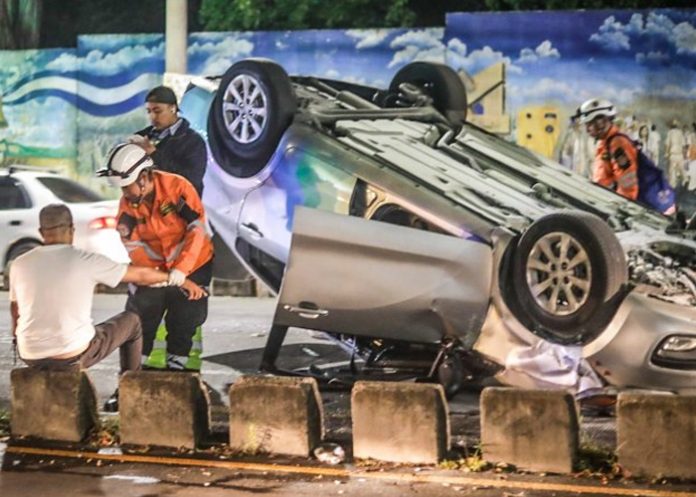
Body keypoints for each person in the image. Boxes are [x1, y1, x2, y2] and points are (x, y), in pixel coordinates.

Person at [9, 204, 207, 410]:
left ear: (41, 232)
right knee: (132, 322)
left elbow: (16, 311)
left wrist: (22, 340)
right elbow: (140, 275)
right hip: (72, 354)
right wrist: (178, 279)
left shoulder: (19, 263)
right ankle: (129, 393)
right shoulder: (85, 260)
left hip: (30, 354)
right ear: (71, 230)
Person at [98, 143, 214, 372]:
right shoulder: (127, 210)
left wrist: (181, 271)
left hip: (195, 264)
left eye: (126, 186)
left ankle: (180, 374)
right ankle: (131, 377)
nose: (124, 193)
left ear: (144, 177)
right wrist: (169, 277)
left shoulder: (177, 188)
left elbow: (196, 230)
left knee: (186, 318)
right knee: (140, 316)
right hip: (155, 272)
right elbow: (137, 251)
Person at [576, 98, 675, 214]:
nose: (587, 129)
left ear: (601, 122)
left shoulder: (617, 143)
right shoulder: (606, 143)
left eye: (589, 124)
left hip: (641, 208)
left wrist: (622, 212)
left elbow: (627, 181)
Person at [128, 85, 207, 196]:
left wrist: (154, 155)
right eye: (149, 111)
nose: (152, 117)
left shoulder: (194, 141)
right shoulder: (143, 137)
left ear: (173, 108)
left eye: (157, 111)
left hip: (178, 208)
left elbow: (191, 179)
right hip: (146, 206)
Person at [665, 120, 687, 189]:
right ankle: (685, 179)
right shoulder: (680, 132)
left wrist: (666, 153)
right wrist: (684, 154)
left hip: (673, 154)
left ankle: (672, 184)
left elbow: (667, 144)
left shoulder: (670, 132)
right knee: (681, 168)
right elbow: (683, 144)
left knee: (671, 169)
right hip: (679, 153)